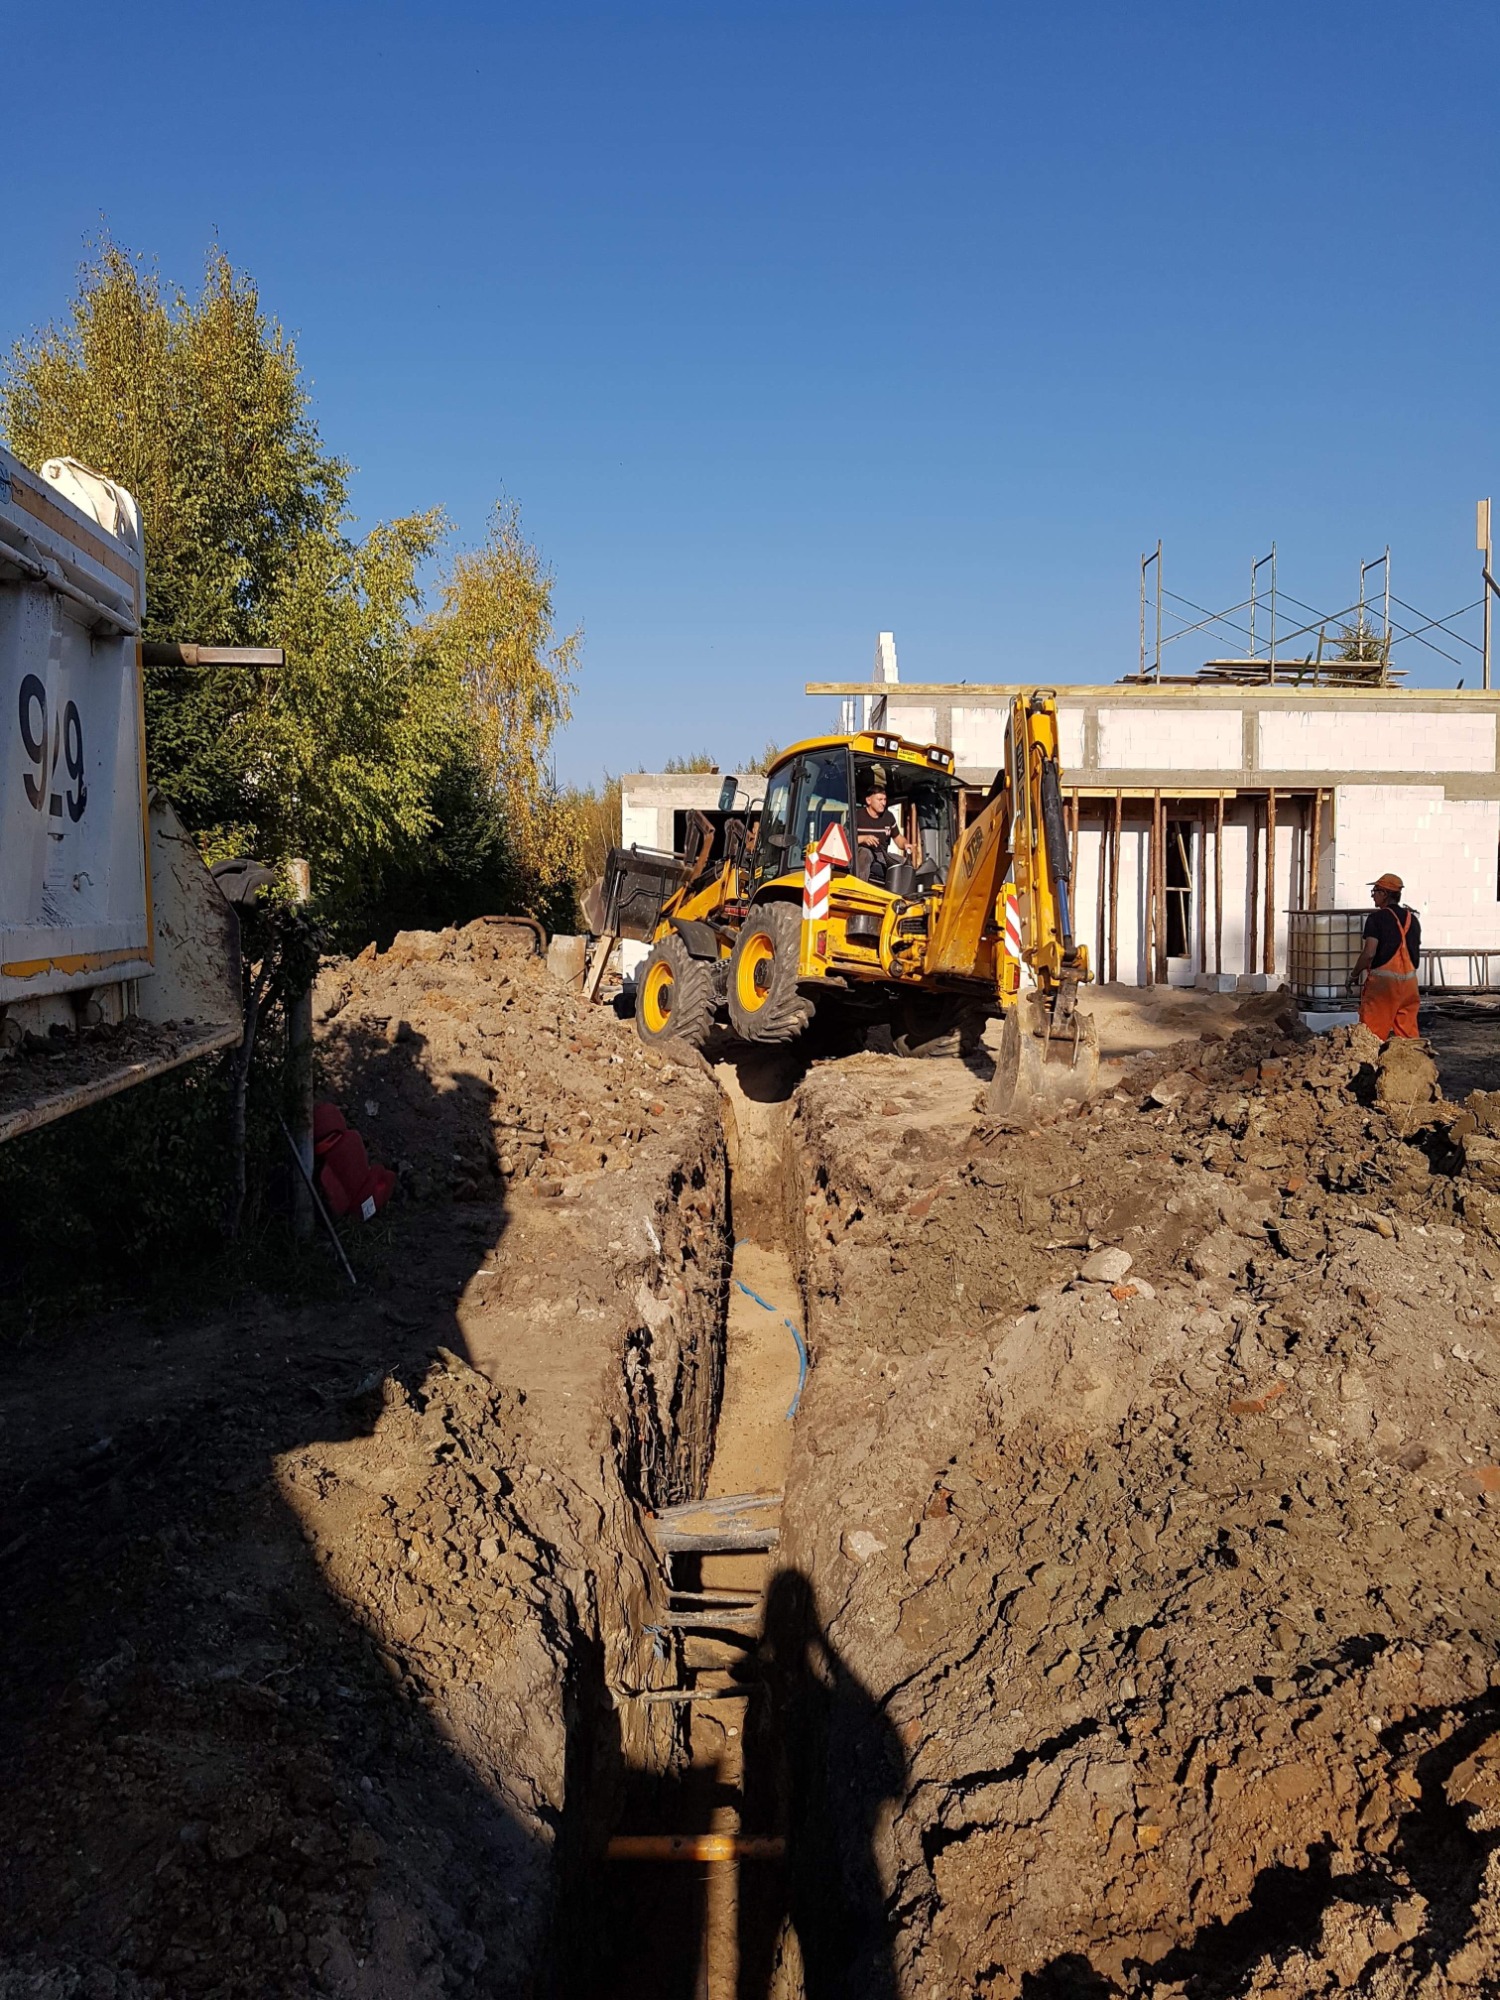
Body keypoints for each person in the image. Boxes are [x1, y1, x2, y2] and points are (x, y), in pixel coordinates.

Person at [1346, 871, 1421, 1040]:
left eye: (1375, 891)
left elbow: (1369, 953)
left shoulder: (1376, 919)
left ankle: (1370, 1066)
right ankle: (1415, 1065)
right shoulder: (1412, 919)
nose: (1373, 896)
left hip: (1384, 988)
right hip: (1410, 985)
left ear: (1385, 894)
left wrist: (1354, 974)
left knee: (1372, 1037)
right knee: (1408, 1038)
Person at [854, 768, 909, 886]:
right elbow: (845, 840)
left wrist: (906, 844)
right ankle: (859, 888)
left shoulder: (888, 816)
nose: (883, 803)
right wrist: (863, 839)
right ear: (869, 800)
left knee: (903, 863)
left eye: (884, 799)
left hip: (882, 853)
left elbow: (898, 838)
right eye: (879, 799)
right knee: (865, 854)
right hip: (862, 851)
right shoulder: (857, 816)